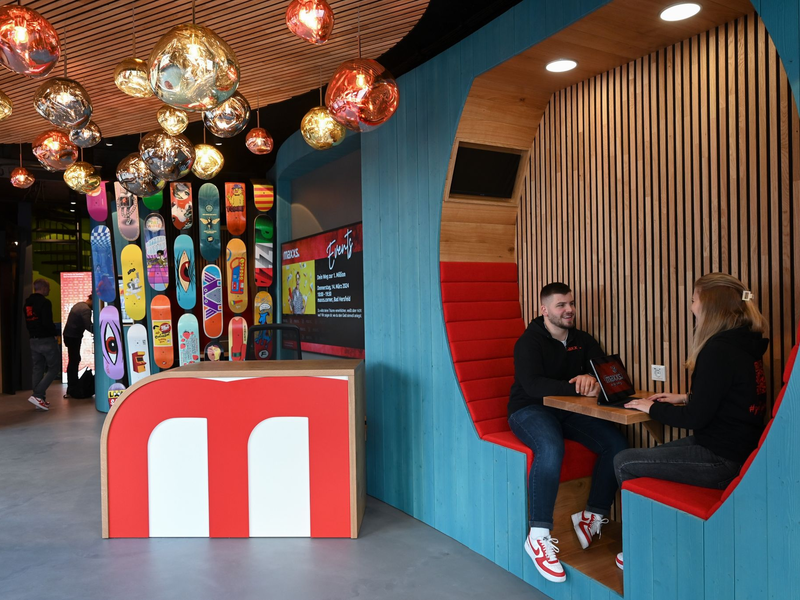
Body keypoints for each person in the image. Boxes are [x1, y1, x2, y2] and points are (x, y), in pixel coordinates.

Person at [613, 273, 769, 571]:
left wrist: (650, 407)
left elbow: (696, 418)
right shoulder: (746, 343)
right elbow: (733, 394)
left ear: (710, 306)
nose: (691, 306)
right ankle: (655, 538)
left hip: (721, 459)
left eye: (694, 300)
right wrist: (684, 397)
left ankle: (641, 547)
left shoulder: (718, 350)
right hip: (738, 449)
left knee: (623, 461)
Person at [509, 282, 628, 583]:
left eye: (571, 303)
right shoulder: (529, 342)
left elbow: (607, 372)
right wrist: (579, 386)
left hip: (568, 411)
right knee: (551, 448)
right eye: (561, 305)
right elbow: (533, 385)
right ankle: (537, 536)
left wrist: (592, 378)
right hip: (529, 410)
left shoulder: (582, 339)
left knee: (616, 444)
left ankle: (592, 516)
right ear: (544, 309)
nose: (569, 309)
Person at [24, 278, 60, 411]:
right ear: (43, 288)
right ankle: (38, 395)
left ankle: (39, 400)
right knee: (53, 368)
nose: (49, 290)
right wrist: (54, 333)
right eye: (48, 288)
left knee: (38, 368)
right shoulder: (45, 302)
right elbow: (47, 322)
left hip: (33, 339)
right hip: (46, 339)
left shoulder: (27, 303)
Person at [63, 293, 93, 398]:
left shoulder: (79, 304)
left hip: (68, 335)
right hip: (73, 337)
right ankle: (72, 388)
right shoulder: (86, 310)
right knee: (74, 361)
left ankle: (71, 387)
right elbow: (88, 326)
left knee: (74, 360)